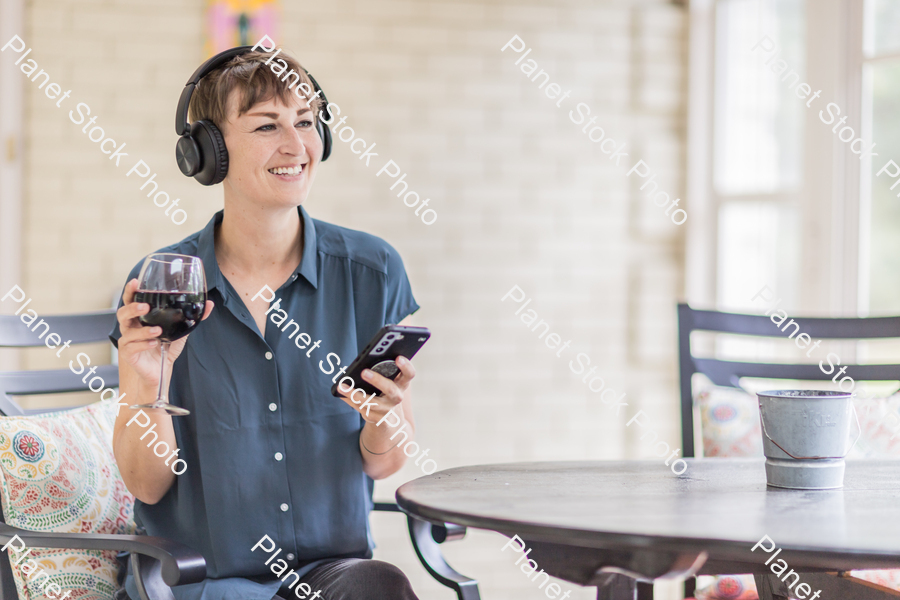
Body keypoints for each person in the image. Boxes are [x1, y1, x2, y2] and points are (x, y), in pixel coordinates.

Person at [110, 47, 422, 600]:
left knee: (380, 586)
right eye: (266, 126)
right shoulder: (168, 282)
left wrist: (382, 420)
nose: (296, 146)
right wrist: (141, 385)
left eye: (305, 122)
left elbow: (385, 464)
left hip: (333, 581)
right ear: (209, 151)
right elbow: (146, 485)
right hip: (200, 582)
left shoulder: (371, 272)